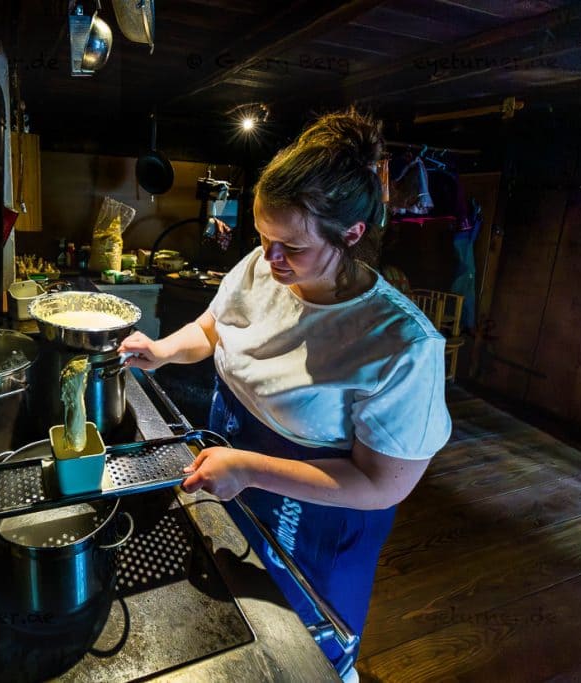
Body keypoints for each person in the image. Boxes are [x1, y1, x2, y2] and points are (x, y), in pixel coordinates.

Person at [118, 108, 451, 680]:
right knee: (235, 626)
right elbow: (214, 327)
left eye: (290, 248)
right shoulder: (261, 267)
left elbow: (382, 484)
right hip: (237, 475)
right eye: (263, 237)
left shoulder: (400, 344)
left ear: (351, 236)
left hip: (314, 521)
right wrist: (165, 350)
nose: (269, 259)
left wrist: (249, 468)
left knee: (298, 653)